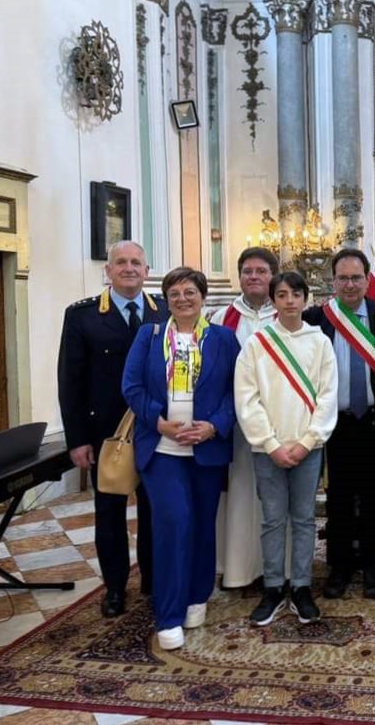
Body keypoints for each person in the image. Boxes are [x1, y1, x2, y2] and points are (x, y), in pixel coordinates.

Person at [122, 267, 240, 650]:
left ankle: (197, 595)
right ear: (167, 299)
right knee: (175, 523)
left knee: (204, 524)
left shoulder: (224, 338)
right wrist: (160, 423)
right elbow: (131, 385)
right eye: (175, 293)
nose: (183, 299)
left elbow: (234, 392)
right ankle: (169, 613)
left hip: (206, 448)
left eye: (190, 292)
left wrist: (214, 427)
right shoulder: (150, 335)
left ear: (203, 297)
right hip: (162, 449)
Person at [57, 240, 168, 618]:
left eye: (136, 262)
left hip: (156, 430)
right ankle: (116, 588)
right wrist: (76, 440)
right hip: (105, 434)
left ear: (147, 270)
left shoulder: (165, 311)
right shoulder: (83, 316)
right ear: (108, 270)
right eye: (121, 262)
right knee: (109, 514)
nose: (129, 268)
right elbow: (69, 381)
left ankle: (153, 583)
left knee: (155, 512)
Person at [234, 272, 338, 627]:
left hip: (308, 447)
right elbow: (247, 399)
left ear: (306, 299)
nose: (290, 300)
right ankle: (274, 586)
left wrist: (308, 441)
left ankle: (303, 586)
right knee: (273, 520)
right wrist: (271, 444)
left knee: (305, 519)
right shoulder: (257, 344)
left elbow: (327, 395)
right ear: (273, 300)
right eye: (282, 294)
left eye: (296, 294)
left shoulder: (320, 342)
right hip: (269, 450)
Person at [303, 249, 375, 600]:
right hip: (336, 423)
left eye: (356, 277)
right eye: (342, 278)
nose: (349, 284)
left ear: (367, 278)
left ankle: (373, 564)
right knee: (339, 497)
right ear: (333, 281)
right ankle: (339, 565)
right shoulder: (316, 318)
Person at [211, 247, 280, 590]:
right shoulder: (222, 317)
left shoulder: (287, 313)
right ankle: (237, 567)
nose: (253, 276)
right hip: (235, 425)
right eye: (247, 271)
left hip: (279, 424)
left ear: (273, 276)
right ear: (239, 276)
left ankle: (275, 569)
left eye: (261, 271)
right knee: (238, 492)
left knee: (274, 494)